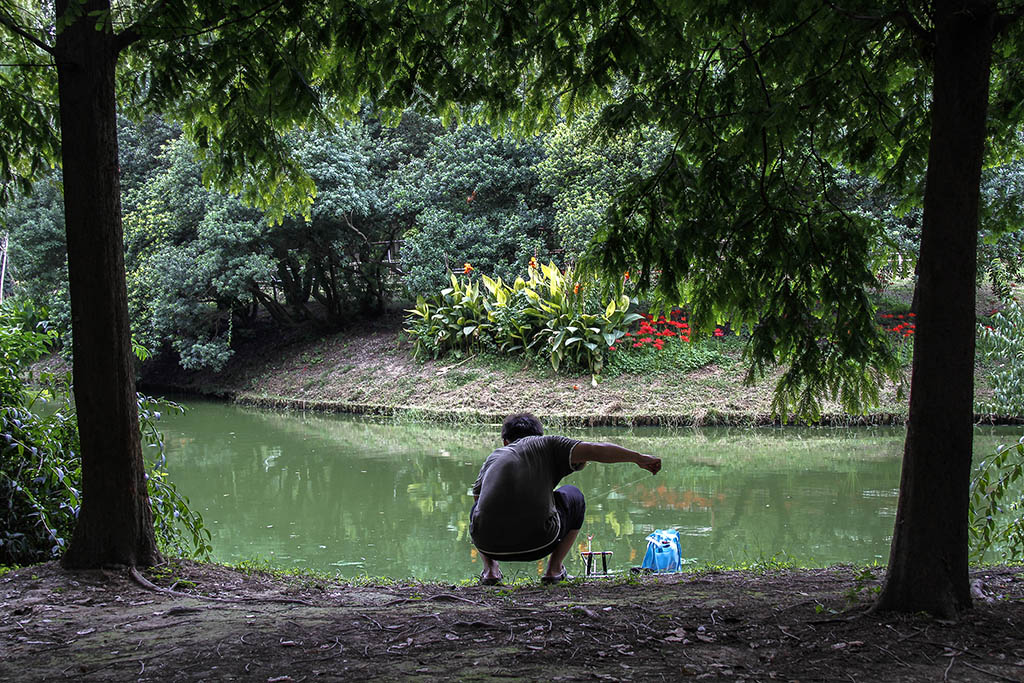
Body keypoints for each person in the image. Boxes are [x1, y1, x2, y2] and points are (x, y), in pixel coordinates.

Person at [471, 412, 662, 585]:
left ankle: (490, 571)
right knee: (574, 496)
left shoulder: (493, 457)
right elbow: (596, 450)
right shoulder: (547, 443)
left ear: (505, 441)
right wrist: (639, 458)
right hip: (540, 542)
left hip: (488, 545)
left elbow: (478, 501)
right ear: (540, 434)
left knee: (476, 508)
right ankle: (553, 570)